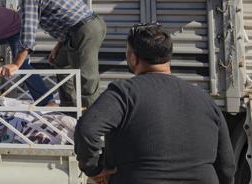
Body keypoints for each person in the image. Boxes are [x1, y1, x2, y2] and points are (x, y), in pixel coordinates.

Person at [74, 24, 235, 184]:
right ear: (168, 56)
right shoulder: (206, 100)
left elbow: (87, 130)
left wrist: (94, 169)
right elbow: (227, 166)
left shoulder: (124, 93)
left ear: (132, 57)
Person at [0, 0, 106, 107]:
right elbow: (67, 15)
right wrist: (58, 45)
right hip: (88, 26)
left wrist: (16, 64)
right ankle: (69, 107)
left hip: (84, 31)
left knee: (86, 78)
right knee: (61, 62)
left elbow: (28, 31)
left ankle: (93, 119)